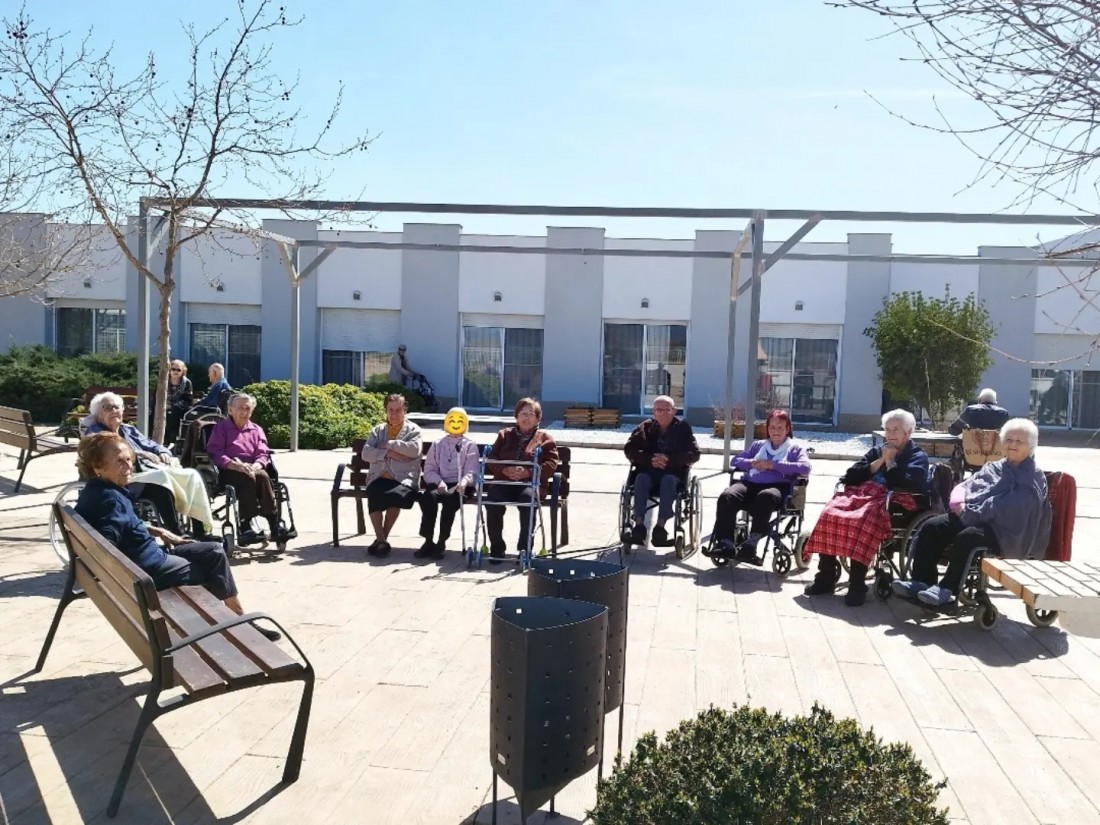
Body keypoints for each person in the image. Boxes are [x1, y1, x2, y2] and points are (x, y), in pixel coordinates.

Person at [73, 432, 280, 641]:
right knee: (212, 568)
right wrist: (130, 577)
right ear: (97, 467)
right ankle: (236, 627)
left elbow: (121, 523)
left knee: (214, 551)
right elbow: (106, 544)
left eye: (129, 459)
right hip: (149, 570)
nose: (128, 466)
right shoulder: (110, 501)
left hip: (149, 559)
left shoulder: (96, 491)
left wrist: (159, 531)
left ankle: (237, 622)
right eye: (119, 461)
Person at [894, 418, 1051, 606]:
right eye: (1009, 439)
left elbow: (1012, 507)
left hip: (1006, 530)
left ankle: (946, 589)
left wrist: (972, 511)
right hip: (972, 515)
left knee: (968, 537)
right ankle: (921, 581)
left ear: (1031, 446)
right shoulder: (994, 467)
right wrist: (960, 501)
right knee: (932, 526)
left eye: (1020, 441)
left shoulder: (1033, 476)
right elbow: (969, 485)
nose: (1013, 444)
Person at [802, 409, 930, 607]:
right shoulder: (878, 451)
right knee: (830, 512)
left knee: (862, 519)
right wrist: (880, 461)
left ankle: (857, 584)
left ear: (908, 432)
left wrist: (891, 462)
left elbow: (910, 482)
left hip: (894, 501)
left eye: (896, 429)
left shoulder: (917, 456)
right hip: (863, 495)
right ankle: (826, 576)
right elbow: (851, 475)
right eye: (887, 429)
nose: (890, 434)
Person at [84, 392, 215, 535]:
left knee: (192, 475)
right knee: (160, 482)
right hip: (120, 478)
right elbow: (108, 456)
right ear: (98, 415)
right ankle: (176, 533)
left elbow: (151, 445)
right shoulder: (96, 434)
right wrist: (139, 453)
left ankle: (199, 531)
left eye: (117, 407)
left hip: (144, 472)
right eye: (107, 408)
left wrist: (162, 452)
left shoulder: (128, 430)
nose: (114, 411)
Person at [711, 409, 811, 564]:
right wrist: (751, 463)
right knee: (727, 496)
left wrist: (773, 465)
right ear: (767, 429)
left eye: (780, 427)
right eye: (772, 427)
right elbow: (735, 461)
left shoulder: (795, 449)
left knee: (765, 497)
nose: (775, 431)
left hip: (777, 488)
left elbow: (805, 468)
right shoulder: (758, 446)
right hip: (750, 484)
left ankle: (750, 545)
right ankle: (726, 543)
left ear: (787, 429)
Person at [206, 392, 289, 546]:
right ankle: (245, 525)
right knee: (247, 477)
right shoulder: (221, 428)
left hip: (253, 468)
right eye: (240, 408)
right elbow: (215, 452)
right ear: (230, 410)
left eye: (247, 408)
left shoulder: (256, 429)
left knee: (262, 476)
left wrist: (256, 465)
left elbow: (263, 453)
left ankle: (274, 524)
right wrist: (234, 465)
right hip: (229, 470)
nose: (244, 412)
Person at [485, 397, 559, 564]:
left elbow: (551, 464)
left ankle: (524, 549)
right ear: (516, 417)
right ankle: (497, 547)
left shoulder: (545, 439)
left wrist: (529, 472)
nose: (526, 418)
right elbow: (492, 458)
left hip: (530, 484)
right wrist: (504, 469)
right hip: (504, 481)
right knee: (493, 499)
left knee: (528, 499)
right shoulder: (504, 435)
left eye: (531, 414)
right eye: (523, 413)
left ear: (538, 419)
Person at [623, 395, 700, 547]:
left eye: (667, 410)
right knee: (641, 478)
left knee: (668, 481)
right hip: (648, 470)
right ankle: (639, 526)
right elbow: (629, 449)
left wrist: (669, 460)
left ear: (674, 411)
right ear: (653, 412)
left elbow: (694, 453)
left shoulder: (683, 428)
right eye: (659, 410)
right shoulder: (645, 427)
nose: (663, 413)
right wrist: (649, 459)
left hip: (673, 473)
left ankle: (660, 528)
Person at [360, 393, 423, 557]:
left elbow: (414, 450)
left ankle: (381, 540)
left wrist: (389, 444)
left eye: (398, 410)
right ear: (386, 411)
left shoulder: (414, 430)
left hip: (403, 478)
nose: (394, 414)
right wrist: (388, 453)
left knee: (395, 496)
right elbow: (366, 453)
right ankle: (382, 540)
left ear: (405, 410)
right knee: (374, 493)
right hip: (379, 476)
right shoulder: (378, 431)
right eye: (391, 410)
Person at [416, 407, 479, 560]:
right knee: (428, 498)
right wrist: (439, 482)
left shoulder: (470, 445)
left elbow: (472, 471)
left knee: (451, 500)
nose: (456, 424)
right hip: (439, 482)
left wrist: (464, 482)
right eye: (452, 420)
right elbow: (429, 469)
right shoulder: (437, 444)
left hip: (460, 485)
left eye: (460, 421)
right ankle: (428, 540)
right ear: (446, 423)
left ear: (465, 424)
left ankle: (441, 542)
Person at [164, 359, 193, 446]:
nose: (175, 371)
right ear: (169, 370)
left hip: (180, 408)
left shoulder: (187, 382)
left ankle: (170, 441)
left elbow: (188, 400)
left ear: (183, 371)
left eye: (178, 370)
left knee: (173, 413)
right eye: (173, 369)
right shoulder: (164, 380)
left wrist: (173, 406)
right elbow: (156, 395)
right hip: (164, 405)